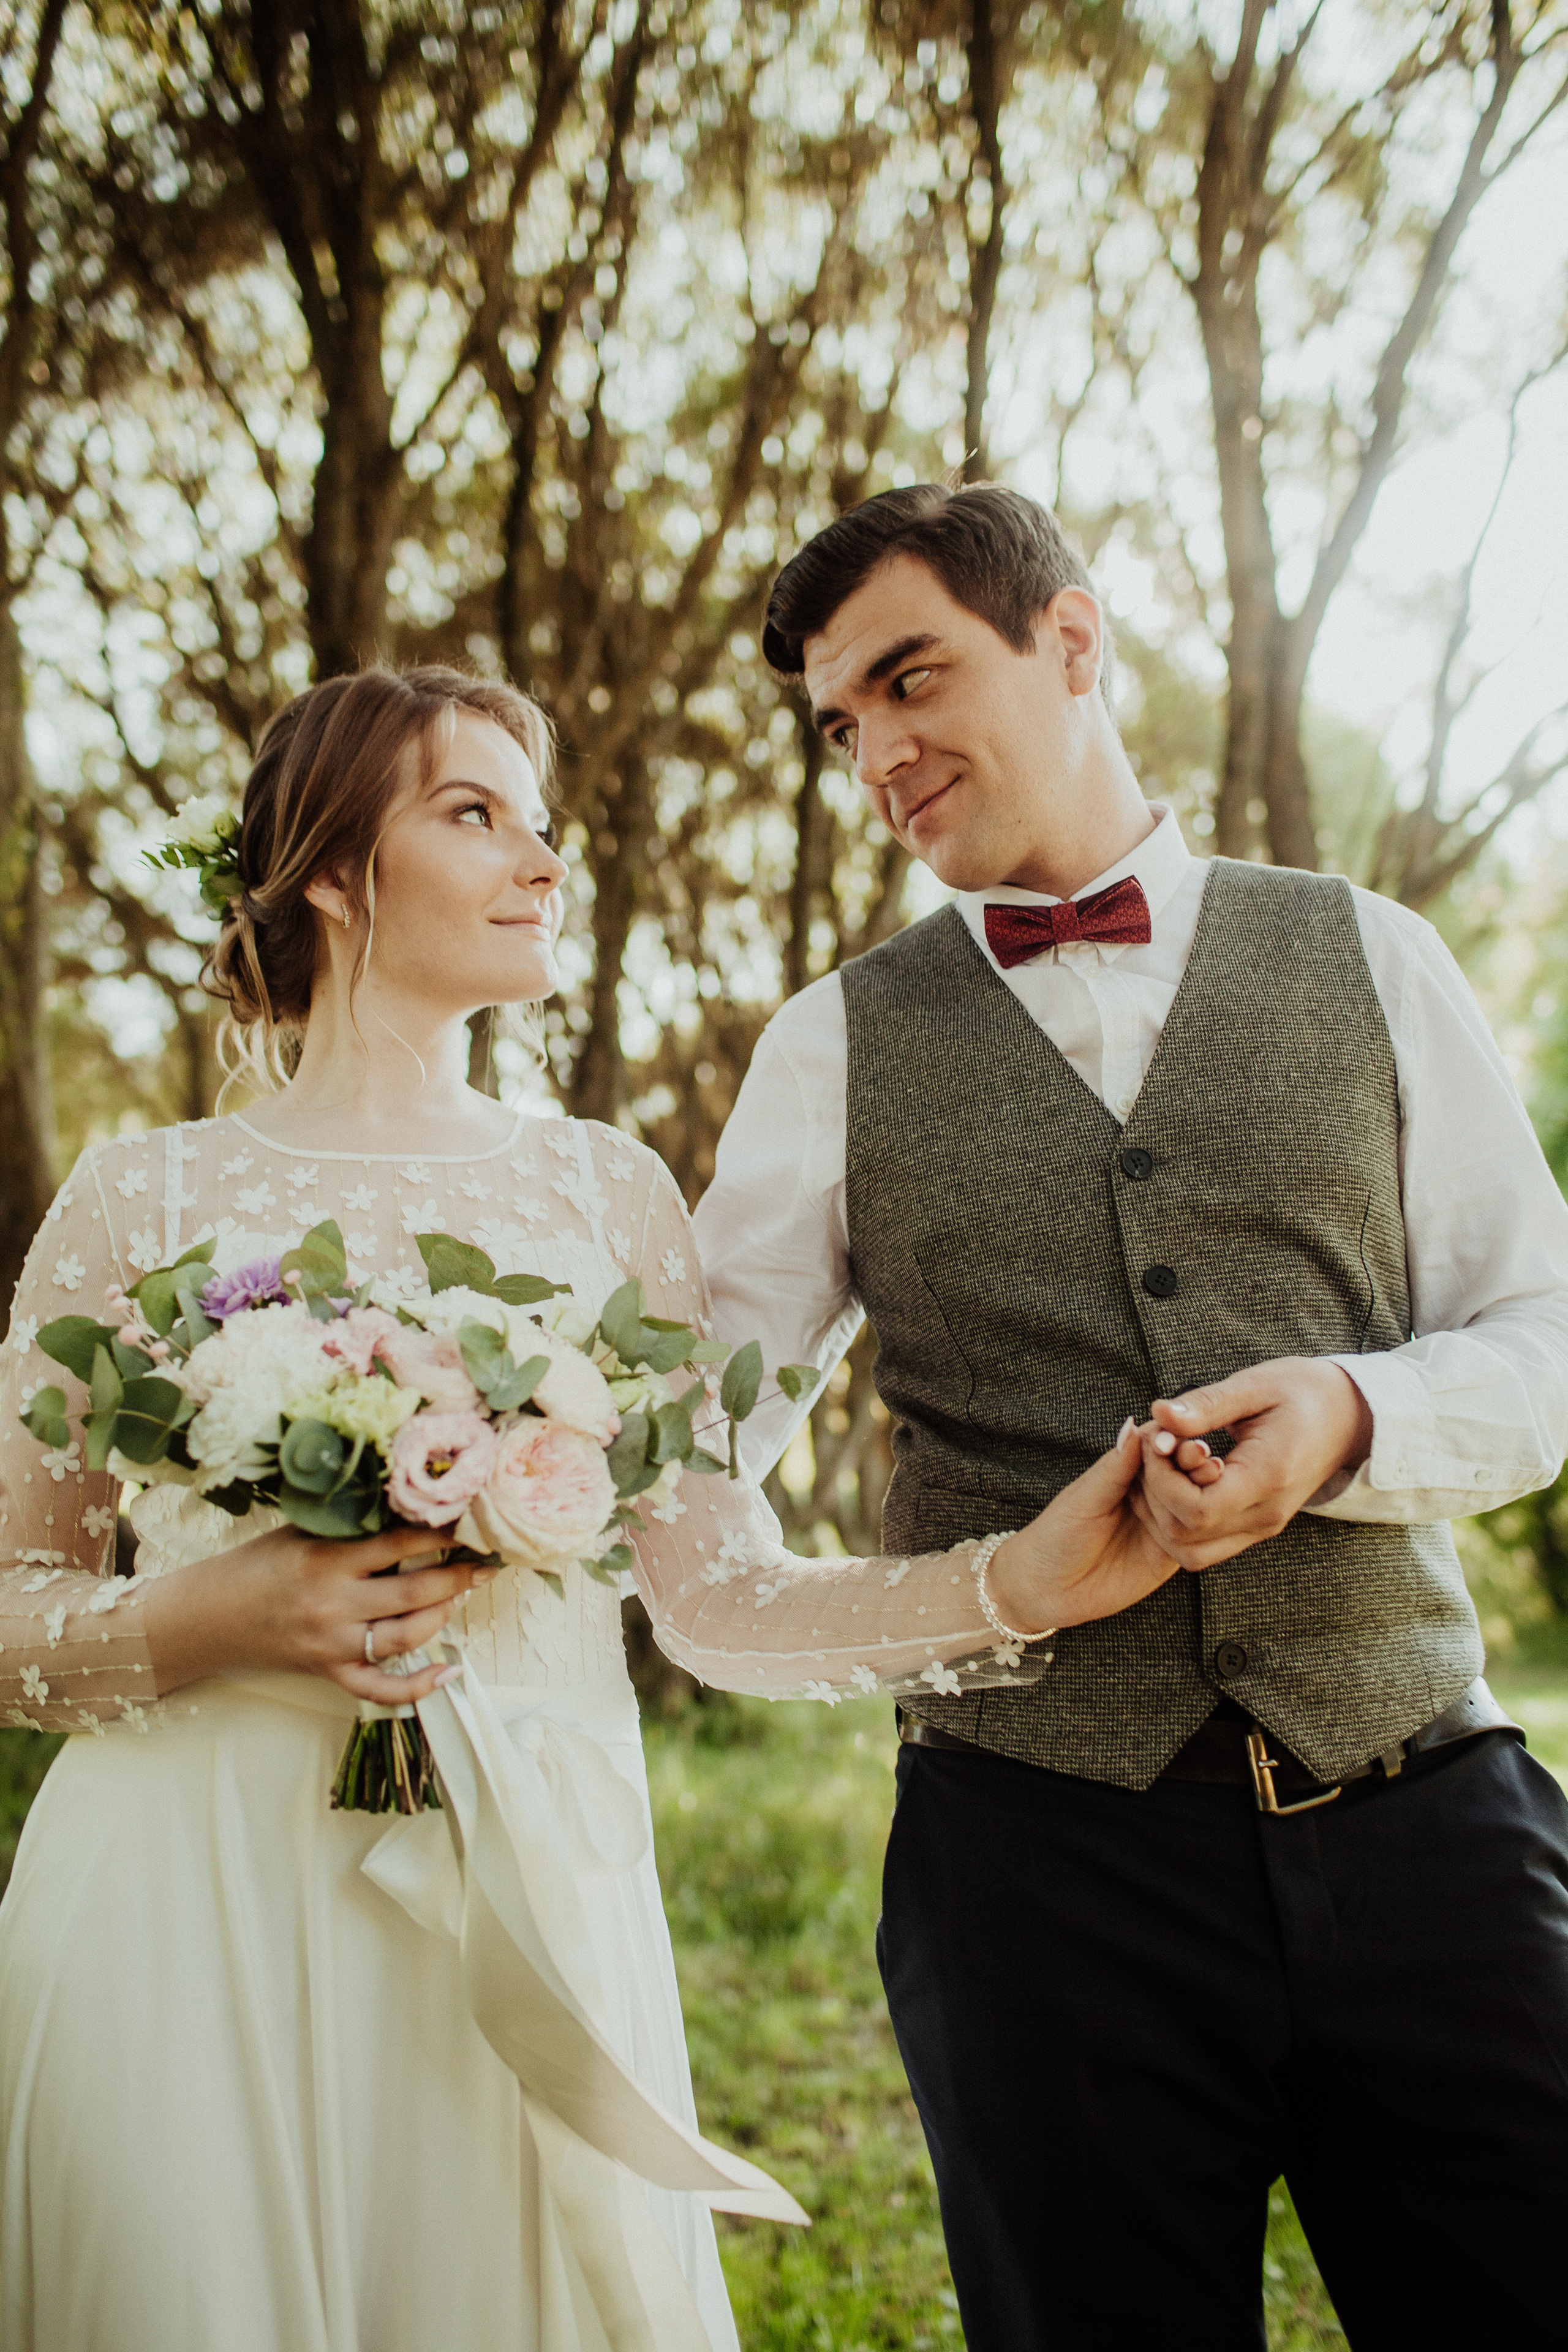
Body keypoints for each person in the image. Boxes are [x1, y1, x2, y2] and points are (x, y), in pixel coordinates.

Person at [0, 660, 1211, 2352]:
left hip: (534, 1890)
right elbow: (12, 1612)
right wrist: (218, 1614)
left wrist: (1019, 1583)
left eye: (545, 824)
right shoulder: (143, 1198)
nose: (543, 860)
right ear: (336, 871)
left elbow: (718, 1600)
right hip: (192, 1893)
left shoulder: (605, 1190)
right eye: (474, 813)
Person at [693, 483, 1568, 2351]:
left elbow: (1545, 1338)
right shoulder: (828, 1048)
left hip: (1430, 1816)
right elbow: (686, 1457)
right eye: (841, 725)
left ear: (1074, 642)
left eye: (912, 680)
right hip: (1035, 1864)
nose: (877, 756)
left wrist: (1349, 1416)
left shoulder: (1374, 952)